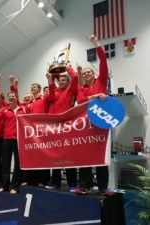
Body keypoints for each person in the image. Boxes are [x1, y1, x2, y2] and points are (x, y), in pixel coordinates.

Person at [75, 34, 109, 195]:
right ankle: (85, 185)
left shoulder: (101, 80)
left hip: (101, 122)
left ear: (94, 74)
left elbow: (103, 59)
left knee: (102, 155)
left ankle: (103, 187)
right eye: (85, 72)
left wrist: (95, 42)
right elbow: (80, 100)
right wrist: (94, 97)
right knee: (85, 155)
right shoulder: (82, 88)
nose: (87, 73)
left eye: (89, 71)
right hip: (86, 124)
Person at [44, 65, 79, 192]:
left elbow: (75, 77)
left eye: (65, 80)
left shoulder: (70, 91)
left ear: (68, 82)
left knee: (69, 155)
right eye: (61, 80)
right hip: (54, 128)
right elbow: (51, 96)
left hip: (67, 127)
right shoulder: (54, 92)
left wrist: (67, 67)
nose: (62, 82)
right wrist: (50, 79)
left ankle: (72, 183)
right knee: (55, 157)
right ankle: (56, 182)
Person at [0, 91, 27, 194]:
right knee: (5, 163)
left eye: (13, 96)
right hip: (7, 139)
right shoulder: (4, 111)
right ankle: (5, 185)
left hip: (19, 139)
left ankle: (14, 186)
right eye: (9, 96)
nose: (11, 97)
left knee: (18, 162)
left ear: (16, 98)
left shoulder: (23, 109)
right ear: (7, 99)